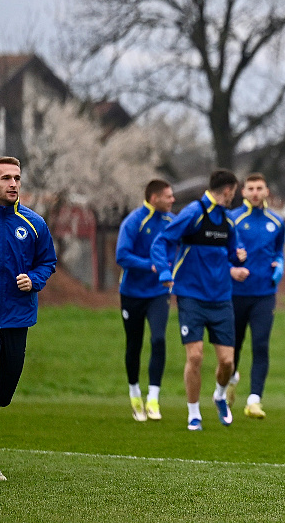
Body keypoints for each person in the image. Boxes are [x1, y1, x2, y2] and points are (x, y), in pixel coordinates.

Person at [151, 169, 248, 432]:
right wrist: (164, 271)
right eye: (235, 192)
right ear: (227, 190)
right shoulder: (193, 213)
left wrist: (238, 263)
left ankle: (218, 395)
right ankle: (193, 413)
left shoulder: (228, 222)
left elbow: (232, 256)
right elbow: (161, 242)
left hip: (221, 298)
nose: (235, 197)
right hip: (191, 296)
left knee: (228, 362)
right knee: (195, 357)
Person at [0, 156, 57, 482]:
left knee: (3, 394)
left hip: (17, 318)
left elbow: (47, 262)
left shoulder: (35, 224)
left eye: (17, 178)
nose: (13, 184)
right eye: (6, 178)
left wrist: (35, 280)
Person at [115, 179, 175, 421]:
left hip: (159, 293)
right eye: (168, 196)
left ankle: (153, 398)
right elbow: (122, 255)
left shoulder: (173, 222)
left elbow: (179, 249)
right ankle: (134, 393)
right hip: (132, 293)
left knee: (159, 339)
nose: (172, 200)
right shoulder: (134, 221)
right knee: (134, 344)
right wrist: (151, 266)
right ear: (154, 198)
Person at [227, 173, 285, 419]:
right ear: (243, 192)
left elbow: (279, 252)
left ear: (266, 191)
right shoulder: (231, 219)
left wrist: (279, 265)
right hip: (234, 294)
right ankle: (229, 382)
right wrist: (232, 267)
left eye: (259, 188)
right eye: (249, 188)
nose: (254, 192)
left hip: (264, 294)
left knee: (260, 345)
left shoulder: (277, 221)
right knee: (233, 347)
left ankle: (254, 400)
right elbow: (219, 253)